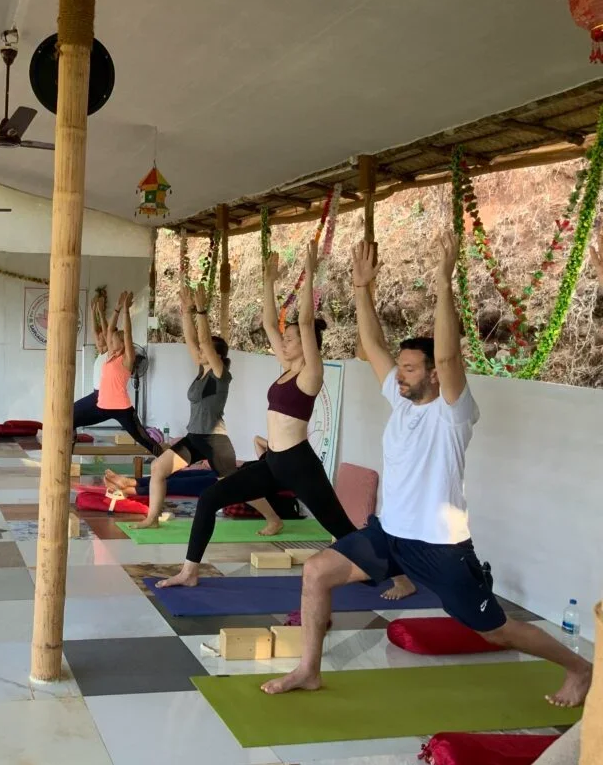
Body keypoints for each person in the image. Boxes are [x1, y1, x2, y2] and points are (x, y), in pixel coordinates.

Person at [261, 234, 593, 708]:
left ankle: (580, 668)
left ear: (434, 374)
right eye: (400, 367)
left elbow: (449, 356)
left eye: (411, 369)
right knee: (316, 572)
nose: (400, 375)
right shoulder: (400, 401)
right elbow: (373, 343)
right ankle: (309, 670)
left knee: (495, 630)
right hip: (389, 534)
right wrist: (361, 289)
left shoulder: (453, 412)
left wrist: (443, 282)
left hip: (440, 546)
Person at [157, 242, 409, 591]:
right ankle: (189, 571)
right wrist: (268, 282)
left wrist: (310, 273)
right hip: (273, 462)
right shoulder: (287, 368)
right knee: (211, 498)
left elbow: (304, 321)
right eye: (285, 338)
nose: (285, 342)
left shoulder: (311, 373)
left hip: (299, 464)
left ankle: (400, 576)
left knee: (340, 528)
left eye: (292, 339)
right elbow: (268, 323)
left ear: (307, 343)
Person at [126, 283, 285, 533]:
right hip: (194, 439)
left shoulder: (220, 375)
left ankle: (274, 519)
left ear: (217, 356)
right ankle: (152, 517)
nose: (198, 352)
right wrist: (187, 312)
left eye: (205, 351)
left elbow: (203, 342)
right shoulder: (201, 371)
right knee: (158, 469)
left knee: (235, 485)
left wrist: (201, 312)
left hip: (215, 441)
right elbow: (192, 340)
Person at [104, 435, 300, 520]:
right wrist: (276, 447)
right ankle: (130, 481)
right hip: (226, 471)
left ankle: (129, 489)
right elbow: (257, 440)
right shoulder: (271, 458)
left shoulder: (280, 470)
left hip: (229, 482)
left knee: (178, 485)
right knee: (178, 474)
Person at [72, 291, 164, 456]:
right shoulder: (109, 356)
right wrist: (117, 308)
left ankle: (169, 461)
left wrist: (126, 311)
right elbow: (108, 331)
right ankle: (67, 451)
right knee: (70, 415)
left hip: (121, 408)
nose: (110, 341)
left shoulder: (127, 359)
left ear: (122, 344)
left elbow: (127, 334)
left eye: (114, 340)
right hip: (101, 405)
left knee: (144, 439)